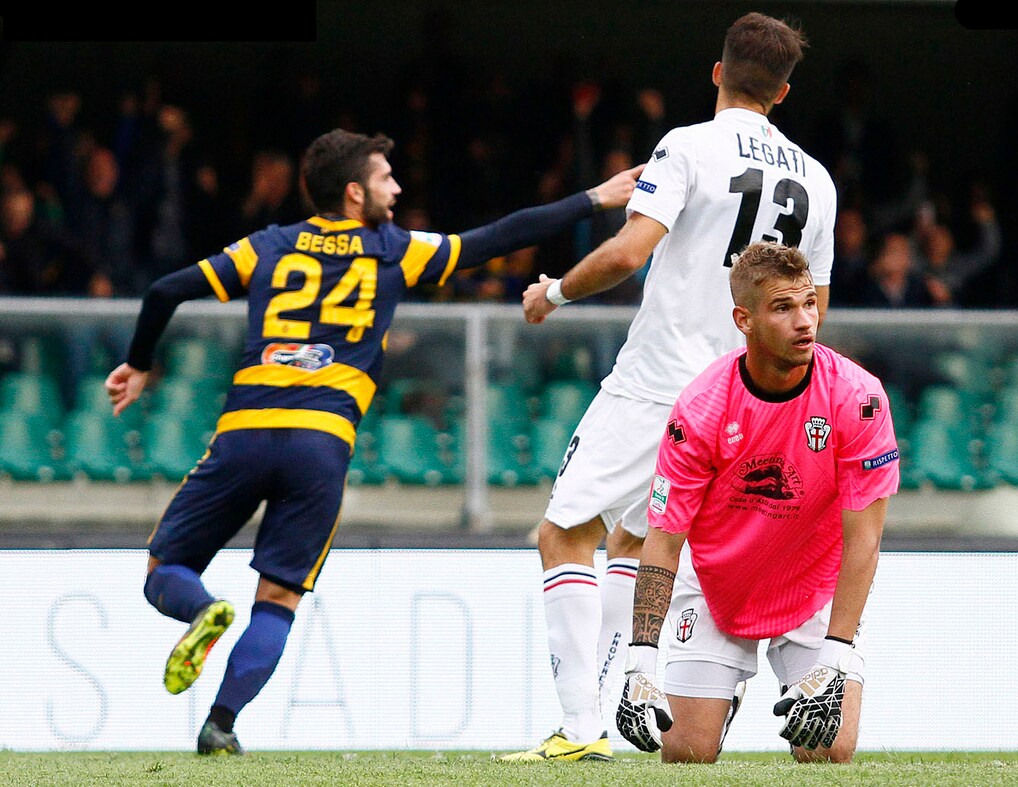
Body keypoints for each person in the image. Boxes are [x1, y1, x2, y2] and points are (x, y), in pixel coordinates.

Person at [104, 127, 643, 756]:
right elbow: (498, 237)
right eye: (387, 177)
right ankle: (221, 723)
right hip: (321, 444)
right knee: (277, 599)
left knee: (163, 571)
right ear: (355, 192)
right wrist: (594, 198)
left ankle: (201, 611)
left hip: (244, 432)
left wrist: (138, 363)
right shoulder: (393, 249)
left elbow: (165, 290)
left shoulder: (267, 246)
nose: (398, 187)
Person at [498, 12, 836, 762]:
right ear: (783, 91)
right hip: (743, 398)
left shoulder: (687, 146)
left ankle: (580, 728)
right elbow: (812, 311)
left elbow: (629, 252)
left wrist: (554, 292)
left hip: (659, 383)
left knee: (563, 531)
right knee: (633, 535)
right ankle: (608, 706)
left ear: (717, 72)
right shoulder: (817, 180)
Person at [614, 241, 898, 764]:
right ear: (743, 319)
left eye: (809, 302)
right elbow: (664, 539)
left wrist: (835, 658)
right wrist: (640, 661)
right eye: (783, 307)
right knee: (687, 755)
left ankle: (800, 671)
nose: (805, 320)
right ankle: (724, 695)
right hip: (718, 585)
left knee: (828, 749)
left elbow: (865, 538)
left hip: (813, 585)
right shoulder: (700, 408)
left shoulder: (858, 398)